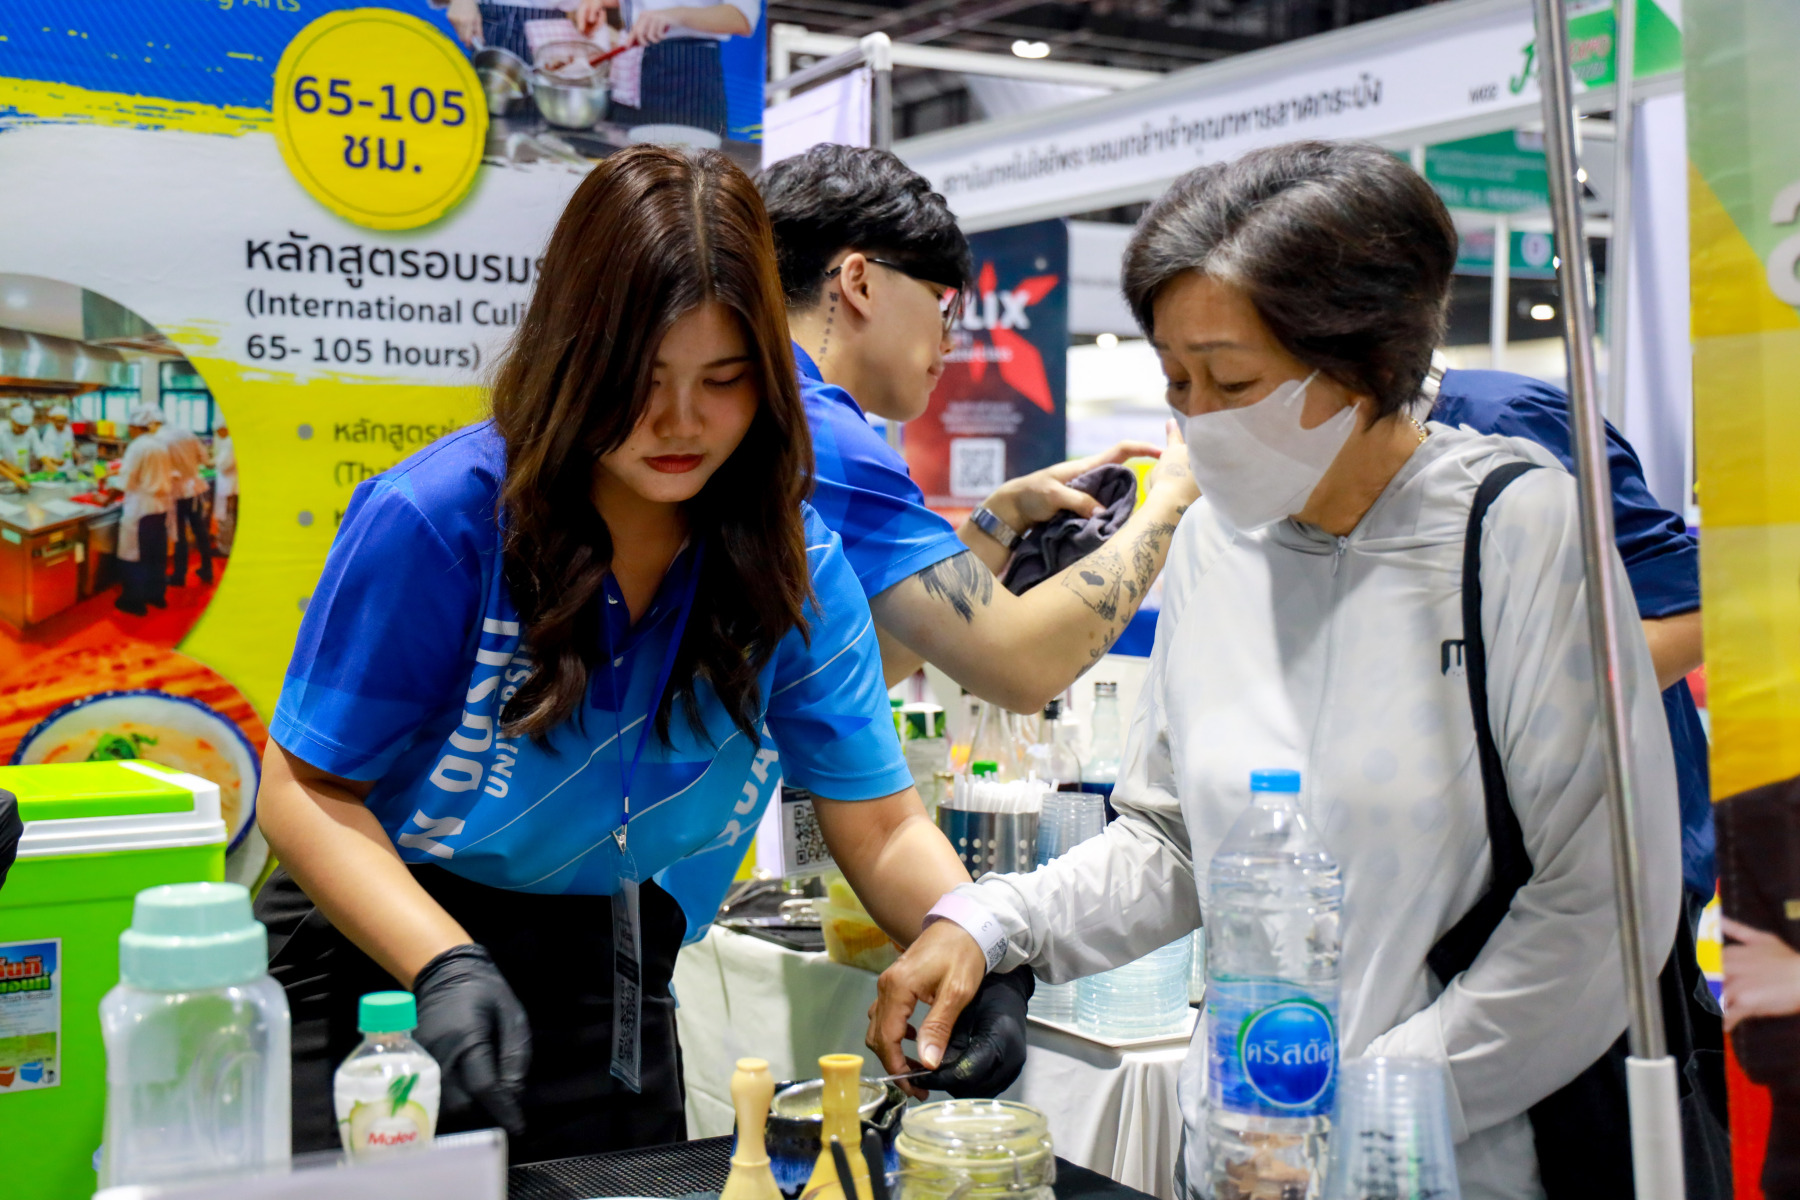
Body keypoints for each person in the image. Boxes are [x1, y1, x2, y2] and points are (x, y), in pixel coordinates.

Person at [870, 142, 1682, 1197]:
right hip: (1240, 1155)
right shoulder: (1217, 541)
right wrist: (990, 922)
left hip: (1449, 1161)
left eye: (1234, 381)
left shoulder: (1518, 535)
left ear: (1367, 362)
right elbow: (1173, 842)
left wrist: (1369, 1103)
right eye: (1177, 379)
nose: (1197, 420)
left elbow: (1598, 909)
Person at [253, 147, 993, 1164]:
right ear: (572, 357)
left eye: (724, 381)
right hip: (381, 955)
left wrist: (966, 937)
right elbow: (304, 789)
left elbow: (881, 820)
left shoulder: (793, 560)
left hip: (604, 963)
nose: (680, 422)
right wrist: (440, 962)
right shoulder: (440, 521)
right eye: (640, 381)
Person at [757, 146, 1198, 712]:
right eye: (941, 303)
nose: (949, 342)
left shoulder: (766, 402)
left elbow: (839, 674)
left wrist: (999, 519)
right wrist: (1169, 504)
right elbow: (1022, 667)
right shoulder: (820, 431)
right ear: (860, 283)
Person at [1427, 368, 1714, 906]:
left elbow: (1687, 602)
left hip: (1607, 858)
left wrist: (1522, 713)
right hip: (1451, 856)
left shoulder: (1503, 418)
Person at [114, 406, 173, 616]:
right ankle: (156, 596)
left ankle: (134, 602)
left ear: (134, 426)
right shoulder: (160, 444)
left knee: (135, 555)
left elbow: (126, 480)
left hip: (141, 508)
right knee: (156, 555)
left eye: (129, 426)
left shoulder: (137, 447)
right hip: (161, 507)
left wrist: (105, 498)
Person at [160, 422, 213, 587]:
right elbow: (205, 459)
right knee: (200, 530)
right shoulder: (189, 435)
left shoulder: (160, 439)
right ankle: (207, 569)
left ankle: (179, 575)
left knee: (179, 534)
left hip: (176, 491)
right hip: (194, 488)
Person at [212, 420, 237, 556]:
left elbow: (225, 464)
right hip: (232, 486)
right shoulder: (232, 441)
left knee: (226, 517)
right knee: (230, 517)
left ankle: (225, 548)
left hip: (228, 487)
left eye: (218, 431)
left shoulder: (229, 442)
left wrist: (213, 463)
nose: (217, 434)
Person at [31, 404, 73, 474]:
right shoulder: (49, 434)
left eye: (63, 421)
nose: (60, 424)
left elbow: (70, 445)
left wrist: (74, 452)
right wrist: (54, 462)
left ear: (66, 420)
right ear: (52, 420)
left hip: (69, 466)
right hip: (54, 468)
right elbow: (49, 454)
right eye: (58, 421)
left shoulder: (68, 430)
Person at [0, 403, 35, 475]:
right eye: (20, 427)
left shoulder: (31, 431)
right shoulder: (2, 431)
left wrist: (48, 463)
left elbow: (39, 449)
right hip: (3, 477)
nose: (23, 430)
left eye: (26, 427)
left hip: (23, 474)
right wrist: (11, 468)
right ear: (12, 421)